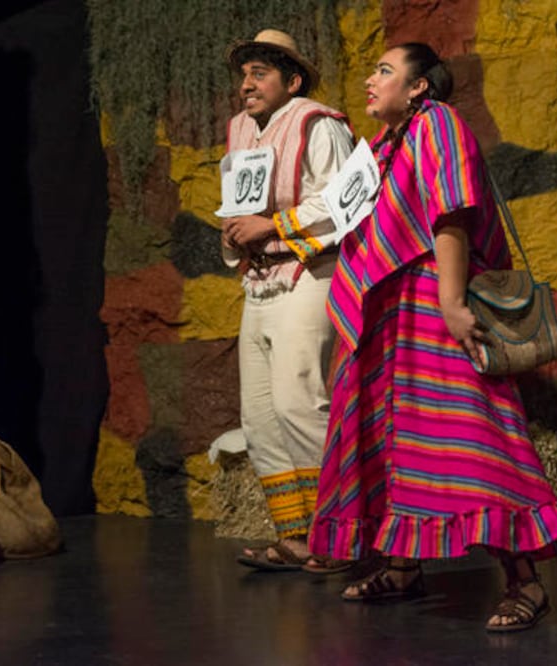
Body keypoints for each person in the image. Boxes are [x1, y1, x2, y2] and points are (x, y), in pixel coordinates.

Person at [308, 43, 557, 630]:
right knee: (393, 436)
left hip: (430, 304)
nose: (370, 79)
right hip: (388, 316)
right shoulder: (384, 145)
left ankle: (526, 583)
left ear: (418, 87)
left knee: (471, 434)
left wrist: (453, 302)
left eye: (385, 70)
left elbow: (451, 213)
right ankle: (402, 566)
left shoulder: (438, 125)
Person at [220, 30, 355, 571]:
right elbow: (238, 201)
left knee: (299, 403)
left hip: (308, 272)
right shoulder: (240, 129)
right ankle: (296, 534)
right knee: (260, 414)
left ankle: (341, 534)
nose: (246, 85)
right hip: (259, 281)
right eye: (244, 75)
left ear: (292, 81)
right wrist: (235, 233)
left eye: (260, 74)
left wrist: (273, 225)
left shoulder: (316, 123)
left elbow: (343, 199)